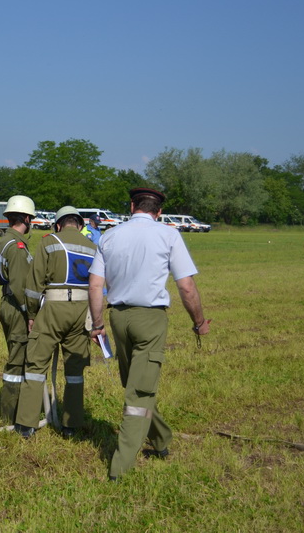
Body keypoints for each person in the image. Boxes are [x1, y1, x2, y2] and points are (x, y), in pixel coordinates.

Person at [89, 187, 210, 480]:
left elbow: (95, 284)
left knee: (136, 383)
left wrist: (98, 325)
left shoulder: (109, 236)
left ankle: (160, 438)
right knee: (140, 390)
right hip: (151, 318)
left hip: (118, 317)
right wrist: (199, 322)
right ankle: (120, 466)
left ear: (132, 207)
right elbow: (186, 287)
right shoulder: (168, 235)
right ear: (159, 212)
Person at [15, 206, 97, 438]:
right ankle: (71, 424)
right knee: (75, 370)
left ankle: (26, 424)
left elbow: (34, 285)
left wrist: (32, 314)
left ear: (58, 225)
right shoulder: (93, 248)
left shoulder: (49, 242)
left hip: (53, 309)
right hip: (83, 311)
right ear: (80, 225)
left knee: (36, 365)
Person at [0, 195, 35, 424]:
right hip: (17, 308)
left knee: (16, 355)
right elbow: (20, 285)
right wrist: (30, 313)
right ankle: (10, 414)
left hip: (7, 302)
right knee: (17, 360)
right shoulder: (17, 247)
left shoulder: (5, 240)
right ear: (26, 218)